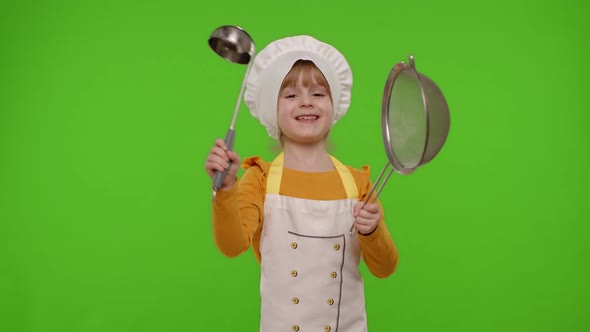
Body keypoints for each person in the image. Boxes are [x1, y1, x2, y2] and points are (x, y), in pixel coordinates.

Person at [205, 34, 398, 332]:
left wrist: (372, 230)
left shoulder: (358, 183)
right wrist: (225, 189)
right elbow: (232, 245)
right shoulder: (261, 177)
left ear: (334, 105)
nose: (306, 102)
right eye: (291, 95)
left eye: (319, 94)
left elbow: (385, 268)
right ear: (273, 108)